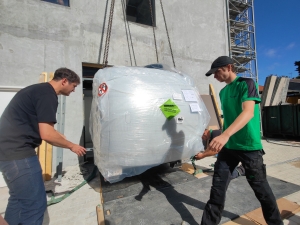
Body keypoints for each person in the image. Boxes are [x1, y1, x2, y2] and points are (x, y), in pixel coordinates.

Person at [200, 56, 283, 225]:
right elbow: (229, 121)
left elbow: (247, 113)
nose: (215, 76)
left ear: (229, 67)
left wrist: (225, 135)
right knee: (217, 190)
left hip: (249, 147)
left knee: (262, 191)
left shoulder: (246, 83)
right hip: (229, 148)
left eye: (217, 72)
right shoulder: (223, 92)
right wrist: (213, 131)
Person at [0, 68, 86, 225]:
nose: (74, 90)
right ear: (64, 81)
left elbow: (41, 126)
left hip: (8, 153)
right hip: (19, 154)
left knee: (19, 200)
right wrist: (72, 146)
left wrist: (58, 135)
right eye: (73, 86)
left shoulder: (37, 90)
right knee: (35, 204)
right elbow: (46, 134)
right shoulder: (48, 95)